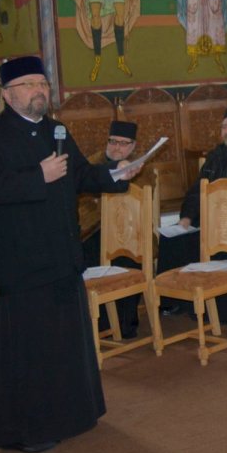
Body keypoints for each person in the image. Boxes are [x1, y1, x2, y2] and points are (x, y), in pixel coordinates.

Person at [0, 56, 140, 452]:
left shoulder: (56, 130)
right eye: (29, 84)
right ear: (8, 94)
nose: (39, 90)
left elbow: (80, 174)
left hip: (63, 255)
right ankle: (31, 431)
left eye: (42, 83)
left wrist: (115, 173)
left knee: (66, 344)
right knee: (33, 350)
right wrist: (36, 177)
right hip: (24, 263)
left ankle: (74, 415)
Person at [156, 106, 227, 313]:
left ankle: (208, 306)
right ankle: (175, 302)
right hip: (207, 221)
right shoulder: (215, 156)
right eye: (224, 127)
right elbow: (196, 191)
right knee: (172, 238)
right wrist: (186, 218)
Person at [79, 120, 147, 338]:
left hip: (130, 231)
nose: (117, 147)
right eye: (113, 142)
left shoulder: (139, 167)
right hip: (92, 230)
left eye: (123, 143)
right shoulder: (92, 165)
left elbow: (143, 199)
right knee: (88, 255)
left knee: (130, 257)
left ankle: (125, 323)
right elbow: (82, 200)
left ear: (133, 146)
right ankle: (98, 323)